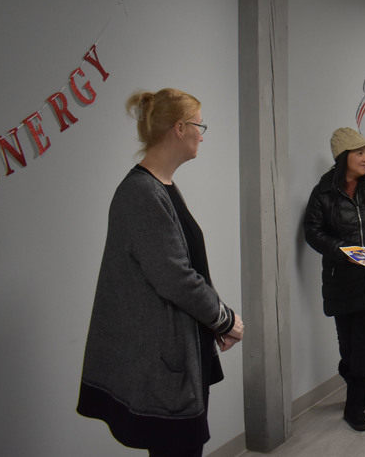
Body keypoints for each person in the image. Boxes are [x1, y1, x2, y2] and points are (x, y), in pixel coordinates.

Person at [77, 89, 244, 457]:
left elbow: (184, 269)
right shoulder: (141, 193)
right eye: (200, 125)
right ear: (179, 128)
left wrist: (212, 325)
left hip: (182, 353)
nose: (203, 133)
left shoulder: (162, 187)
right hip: (163, 364)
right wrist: (224, 318)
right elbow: (176, 278)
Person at [304, 127, 365, 432]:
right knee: (346, 345)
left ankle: (355, 405)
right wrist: (341, 251)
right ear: (343, 156)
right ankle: (357, 378)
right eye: (359, 153)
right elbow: (312, 232)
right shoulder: (323, 192)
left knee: (362, 342)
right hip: (340, 278)